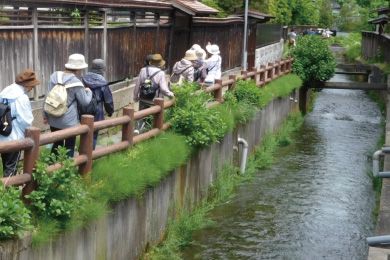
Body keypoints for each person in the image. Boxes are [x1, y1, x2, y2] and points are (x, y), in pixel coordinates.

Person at [42, 53, 92, 158]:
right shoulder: (77, 83)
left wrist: (45, 115)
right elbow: (85, 102)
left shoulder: (54, 76)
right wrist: (89, 92)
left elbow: (47, 97)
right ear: (79, 69)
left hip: (53, 117)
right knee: (69, 145)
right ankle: (66, 168)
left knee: (57, 143)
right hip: (69, 121)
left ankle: (52, 167)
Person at [0, 69, 40, 177]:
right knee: (11, 169)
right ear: (26, 85)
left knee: (6, 164)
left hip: (3, 134)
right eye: (32, 86)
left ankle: (5, 191)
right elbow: (25, 121)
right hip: (15, 137)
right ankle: (7, 192)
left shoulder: (5, 92)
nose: (32, 88)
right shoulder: (21, 98)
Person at [133, 54, 174, 133]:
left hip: (143, 97)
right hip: (154, 100)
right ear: (160, 64)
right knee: (152, 117)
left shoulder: (143, 70)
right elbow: (163, 89)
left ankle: (137, 130)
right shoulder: (161, 73)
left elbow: (138, 85)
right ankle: (148, 133)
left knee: (141, 115)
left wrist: (135, 97)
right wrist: (171, 95)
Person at [81, 59, 114, 149]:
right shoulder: (103, 82)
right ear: (102, 70)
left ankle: (82, 153)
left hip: (83, 110)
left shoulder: (83, 79)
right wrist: (110, 111)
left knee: (83, 133)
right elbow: (108, 100)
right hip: (97, 112)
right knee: (94, 134)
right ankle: (89, 156)